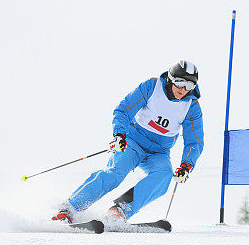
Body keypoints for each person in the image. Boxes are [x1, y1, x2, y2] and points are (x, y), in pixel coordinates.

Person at [53, 60, 204, 223]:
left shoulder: (192, 107)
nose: (183, 90)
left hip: (158, 152)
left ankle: (120, 210)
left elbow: (194, 142)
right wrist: (120, 134)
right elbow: (124, 110)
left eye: (189, 85)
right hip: (133, 142)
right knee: (116, 173)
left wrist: (186, 165)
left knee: (164, 176)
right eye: (180, 83)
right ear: (170, 79)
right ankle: (69, 208)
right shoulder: (152, 87)